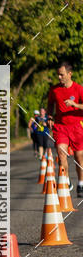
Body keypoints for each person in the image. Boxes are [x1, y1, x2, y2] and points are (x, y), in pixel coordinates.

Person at [47, 61, 83, 195]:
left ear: (69, 74)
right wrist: (50, 116)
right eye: (58, 75)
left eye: (61, 75)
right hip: (60, 127)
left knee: (79, 157)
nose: (59, 77)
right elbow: (50, 104)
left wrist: (75, 104)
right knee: (61, 154)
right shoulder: (54, 90)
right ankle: (66, 183)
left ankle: (81, 183)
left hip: (77, 127)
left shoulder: (79, 89)